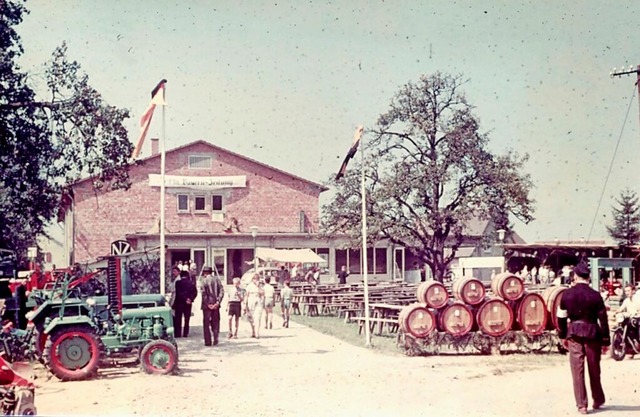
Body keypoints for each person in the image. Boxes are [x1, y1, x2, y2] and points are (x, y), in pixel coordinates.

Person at [556, 262, 610, 414]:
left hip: (574, 333)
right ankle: (598, 399)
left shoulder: (566, 294)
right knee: (594, 368)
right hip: (593, 333)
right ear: (588, 277)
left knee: (577, 370)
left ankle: (582, 405)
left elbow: (561, 317)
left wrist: (562, 335)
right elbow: (603, 319)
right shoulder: (596, 295)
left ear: (576, 276)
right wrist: (606, 340)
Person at [201, 266, 224, 346]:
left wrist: (207, 304)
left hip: (207, 306)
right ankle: (216, 337)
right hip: (216, 304)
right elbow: (222, 291)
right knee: (216, 322)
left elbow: (204, 294)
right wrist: (218, 302)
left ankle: (208, 341)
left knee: (206, 324)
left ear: (205, 273)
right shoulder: (217, 280)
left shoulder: (204, 281)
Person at [174, 270, 197, 337]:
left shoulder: (178, 283)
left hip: (179, 303)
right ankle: (185, 333)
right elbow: (195, 293)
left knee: (178, 318)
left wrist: (185, 298)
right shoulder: (191, 283)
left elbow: (178, 293)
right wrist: (190, 299)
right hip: (188, 303)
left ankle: (178, 333)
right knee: (187, 319)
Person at [244, 274, 264, 338]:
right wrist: (245, 304)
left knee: (257, 318)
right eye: (255, 279)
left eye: (257, 279)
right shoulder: (249, 286)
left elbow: (262, 294)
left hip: (258, 303)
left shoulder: (260, 286)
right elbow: (246, 295)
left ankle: (257, 333)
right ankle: (253, 331)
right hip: (250, 302)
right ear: (252, 279)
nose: (256, 280)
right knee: (251, 319)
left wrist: (258, 287)